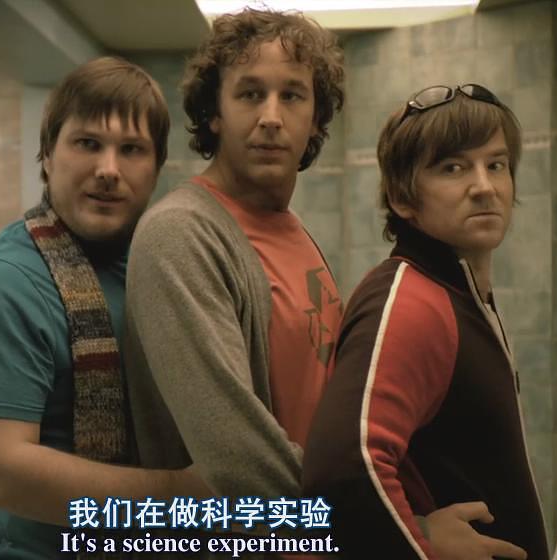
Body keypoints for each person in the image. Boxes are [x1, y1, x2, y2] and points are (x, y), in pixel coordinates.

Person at [0, 56, 205, 559]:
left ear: (156, 169)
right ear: (47, 154)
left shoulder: (158, 268)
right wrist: (183, 496)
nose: (108, 170)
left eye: (131, 149)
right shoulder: (1, 284)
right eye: (87, 143)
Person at [302, 84, 548, 560]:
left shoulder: (457, 294)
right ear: (402, 197)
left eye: (496, 165)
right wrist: (423, 542)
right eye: (453, 168)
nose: (484, 186)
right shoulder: (412, 300)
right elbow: (342, 472)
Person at [124, 8, 346, 507]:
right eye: (250, 94)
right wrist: (384, 530)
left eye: (292, 95)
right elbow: (236, 458)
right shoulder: (180, 234)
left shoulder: (292, 229)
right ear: (215, 114)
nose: (271, 117)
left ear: (315, 119)